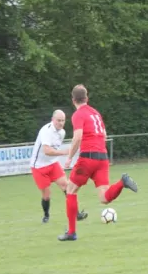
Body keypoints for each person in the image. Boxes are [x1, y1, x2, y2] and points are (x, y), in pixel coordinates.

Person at [58, 84, 138, 241]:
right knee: (104, 198)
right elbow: (104, 134)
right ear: (87, 98)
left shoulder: (78, 115)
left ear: (73, 99)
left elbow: (78, 137)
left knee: (70, 190)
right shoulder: (95, 113)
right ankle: (122, 182)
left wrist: (69, 156)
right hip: (102, 157)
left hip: (87, 157)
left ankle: (72, 233)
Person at [30, 109, 88, 223]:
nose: (60, 123)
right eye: (58, 120)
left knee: (67, 187)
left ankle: (77, 214)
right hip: (39, 167)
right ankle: (46, 215)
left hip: (53, 164)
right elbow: (46, 151)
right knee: (46, 195)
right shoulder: (46, 131)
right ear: (53, 120)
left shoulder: (62, 132)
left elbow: (54, 151)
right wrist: (65, 152)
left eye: (63, 121)